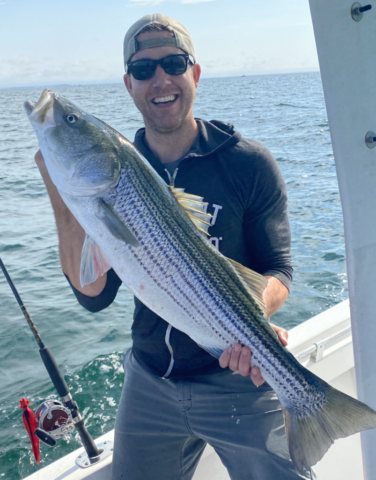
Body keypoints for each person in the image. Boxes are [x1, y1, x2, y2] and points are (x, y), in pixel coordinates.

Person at [34, 13, 313, 480]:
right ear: (128, 84)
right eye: (143, 70)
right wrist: (59, 191)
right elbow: (93, 295)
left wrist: (251, 314)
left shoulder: (249, 164)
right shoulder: (123, 172)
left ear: (195, 73)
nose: (160, 79)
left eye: (174, 63)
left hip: (237, 376)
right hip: (150, 380)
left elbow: (279, 269)